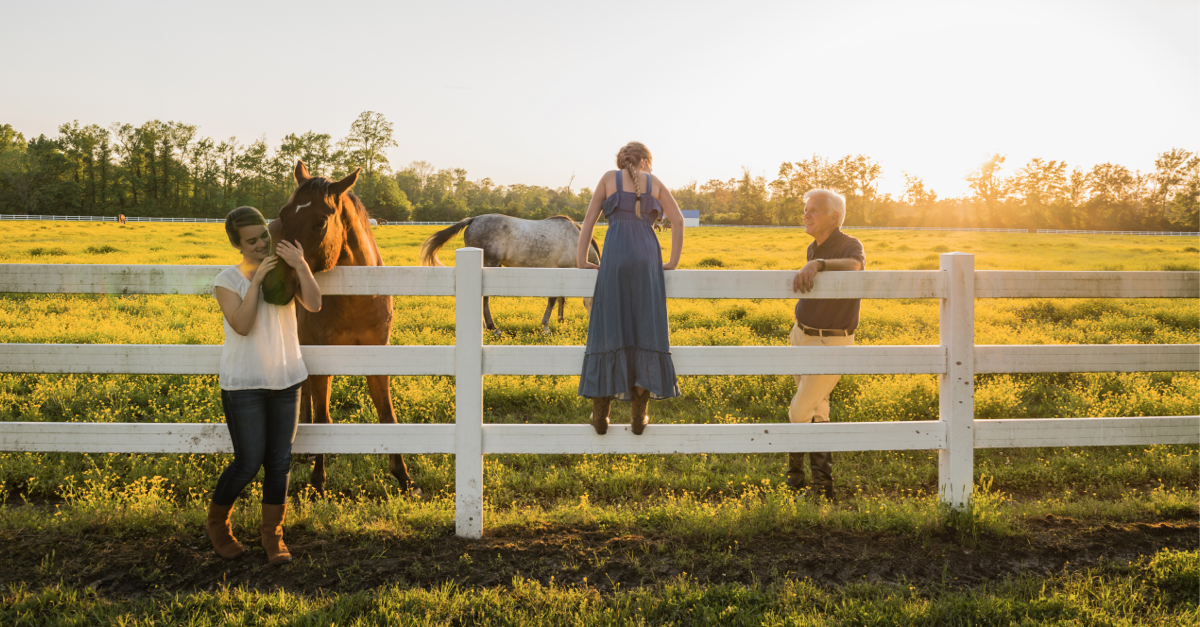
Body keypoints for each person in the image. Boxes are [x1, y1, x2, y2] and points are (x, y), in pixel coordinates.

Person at [207, 206, 321, 564]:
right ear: (237, 245)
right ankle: (218, 526)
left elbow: (315, 305)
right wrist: (255, 281)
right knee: (247, 461)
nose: (260, 245)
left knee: (279, 462)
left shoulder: (285, 272)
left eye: (264, 237)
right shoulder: (227, 280)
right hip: (244, 383)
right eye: (251, 241)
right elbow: (241, 325)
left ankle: (273, 537)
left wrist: (300, 265)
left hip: (287, 377)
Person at [577, 142, 685, 434]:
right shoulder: (656, 183)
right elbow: (678, 220)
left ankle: (601, 413)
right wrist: (672, 261)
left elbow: (588, 221)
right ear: (646, 161)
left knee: (608, 326)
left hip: (614, 258)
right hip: (648, 259)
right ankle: (639, 414)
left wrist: (581, 259)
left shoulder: (608, 179)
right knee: (646, 328)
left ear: (623, 161)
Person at [787, 189, 865, 500]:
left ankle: (795, 476)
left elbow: (855, 267)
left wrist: (817, 264)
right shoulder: (812, 247)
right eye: (805, 209)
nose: (806, 214)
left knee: (799, 410)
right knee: (817, 408)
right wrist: (813, 260)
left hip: (831, 341)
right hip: (802, 334)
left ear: (833, 216)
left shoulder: (850, 244)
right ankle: (822, 486)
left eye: (814, 210)